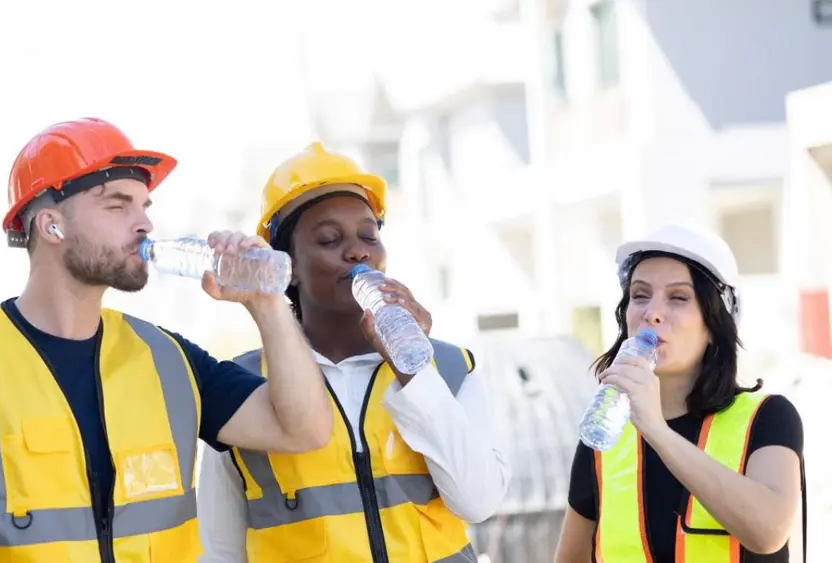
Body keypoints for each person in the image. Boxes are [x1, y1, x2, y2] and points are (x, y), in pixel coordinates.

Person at [0, 118, 332, 563]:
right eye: (117, 204)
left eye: (144, 206)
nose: (144, 224)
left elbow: (304, 431)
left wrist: (266, 304)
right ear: (51, 225)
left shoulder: (168, 360)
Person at [196, 142, 510, 563]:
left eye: (369, 236)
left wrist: (413, 370)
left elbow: (478, 502)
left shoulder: (450, 368)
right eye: (329, 239)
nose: (359, 251)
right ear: (287, 267)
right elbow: (220, 551)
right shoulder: (243, 388)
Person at [554, 224, 807, 563]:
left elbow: (768, 532)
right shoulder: (604, 437)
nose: (652, 313)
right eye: (639, 295)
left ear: (715, 324)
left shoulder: (766, 418)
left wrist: (657, 431)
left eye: (678, 297)